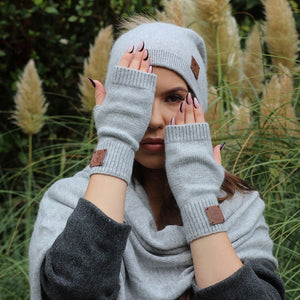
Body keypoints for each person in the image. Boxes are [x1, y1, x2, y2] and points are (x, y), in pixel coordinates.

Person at [29, 21, 285, 300]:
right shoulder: (70, 199)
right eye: (136, 98)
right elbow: (73, 292)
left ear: (199, 107)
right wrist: (116, 139)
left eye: (174, 98)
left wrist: (199, 198)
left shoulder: (238, 207)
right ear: (113, 103)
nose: (152, 119)